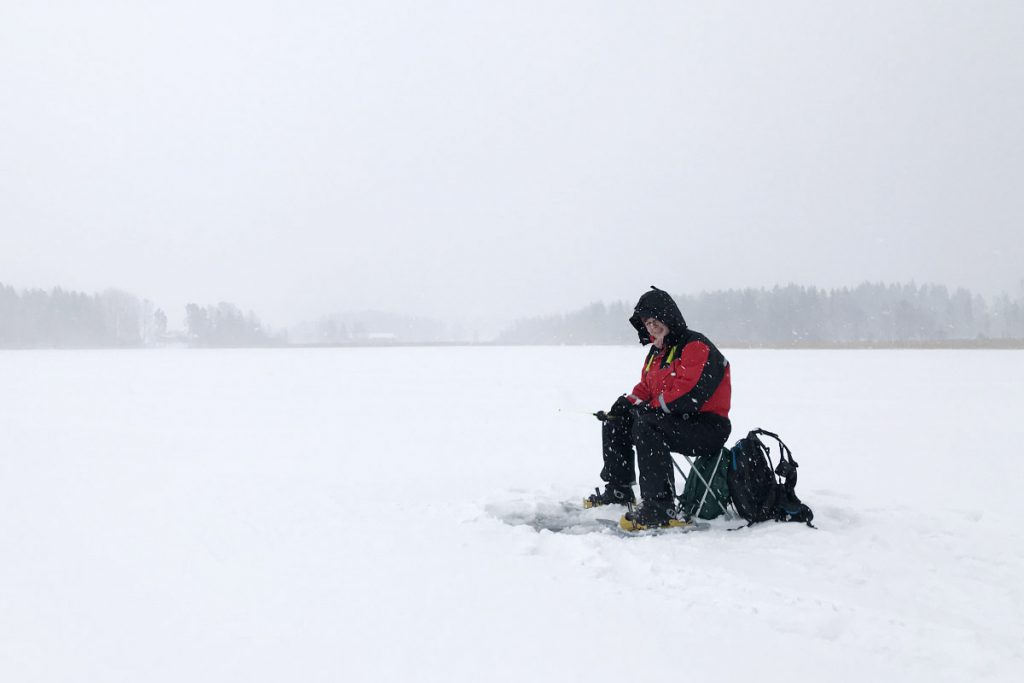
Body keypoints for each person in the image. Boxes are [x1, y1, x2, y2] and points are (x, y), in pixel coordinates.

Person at [586, 286, 732, 530]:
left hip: (708, 427)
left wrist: (650, 410)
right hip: (674, 421)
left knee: (648, 425)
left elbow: (689, 393)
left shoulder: (695, 346)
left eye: (655, 321)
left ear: (669, 317)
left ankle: (660, 508)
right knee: (616, 421)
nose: (652, 327)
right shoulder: (656, 353)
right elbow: (646, 387)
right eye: (647, 323)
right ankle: (619, 490)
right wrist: (627, 403)